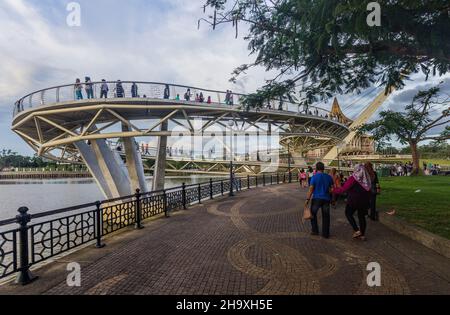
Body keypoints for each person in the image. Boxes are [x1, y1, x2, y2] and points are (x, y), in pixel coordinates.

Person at [333, 164, 372, 241]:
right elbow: (369, 190)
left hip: (353, 200)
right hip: (364, 201)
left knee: (348, 213)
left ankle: (356, 230)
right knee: (362, 217)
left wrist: (333, 190)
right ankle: (362, 235)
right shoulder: (367, 178)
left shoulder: (353, 178)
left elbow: (344, 189)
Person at [305, 162, 334, 239]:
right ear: (323, 168)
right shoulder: (329, 177)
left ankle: (315, 230)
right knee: (326, 216)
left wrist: (307, 199)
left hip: (316, 199)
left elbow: (311, 189)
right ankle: (325, 233)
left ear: (316, 168)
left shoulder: (314, 177)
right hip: (326, 199)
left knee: (313, 214)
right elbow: (331, 189)